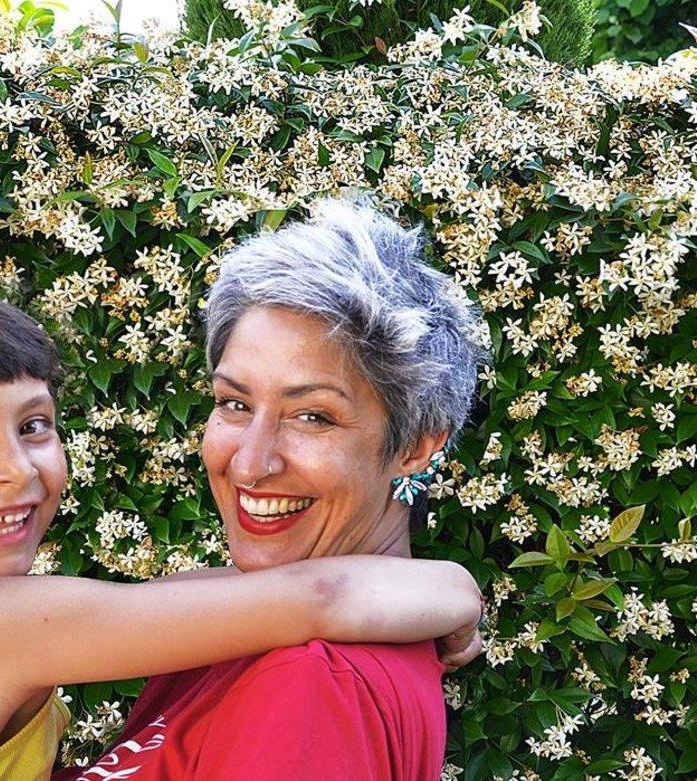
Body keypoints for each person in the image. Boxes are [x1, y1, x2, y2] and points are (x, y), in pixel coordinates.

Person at [0, 285, 484, 780]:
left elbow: (195, 596)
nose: (15, 469)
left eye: (33, 425)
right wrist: (456, 588)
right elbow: (319, 594)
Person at [57, 198, 487, 780]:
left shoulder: (311, 684)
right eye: (234, 403)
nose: (251, 464)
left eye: (313, 416)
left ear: (416, 447)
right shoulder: (234, 624)